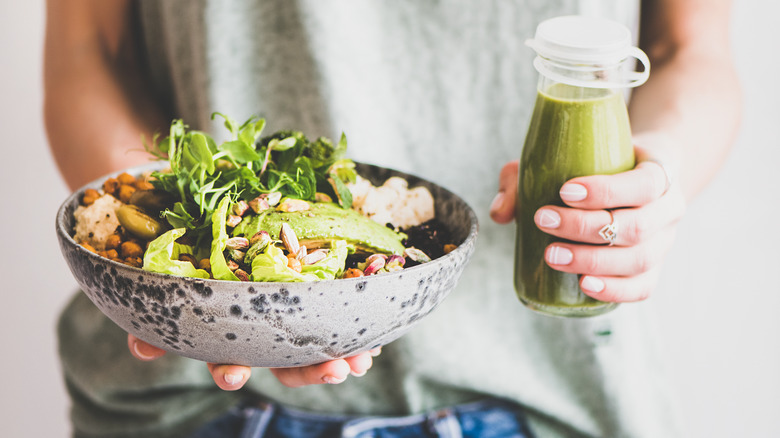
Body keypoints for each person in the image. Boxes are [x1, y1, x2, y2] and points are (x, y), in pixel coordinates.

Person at [44, 0, 741, 437]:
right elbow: (88, 53)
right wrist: (152, 238)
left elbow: (690, 49)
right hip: (192, 404)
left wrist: (656, 177)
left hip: (548, 394)